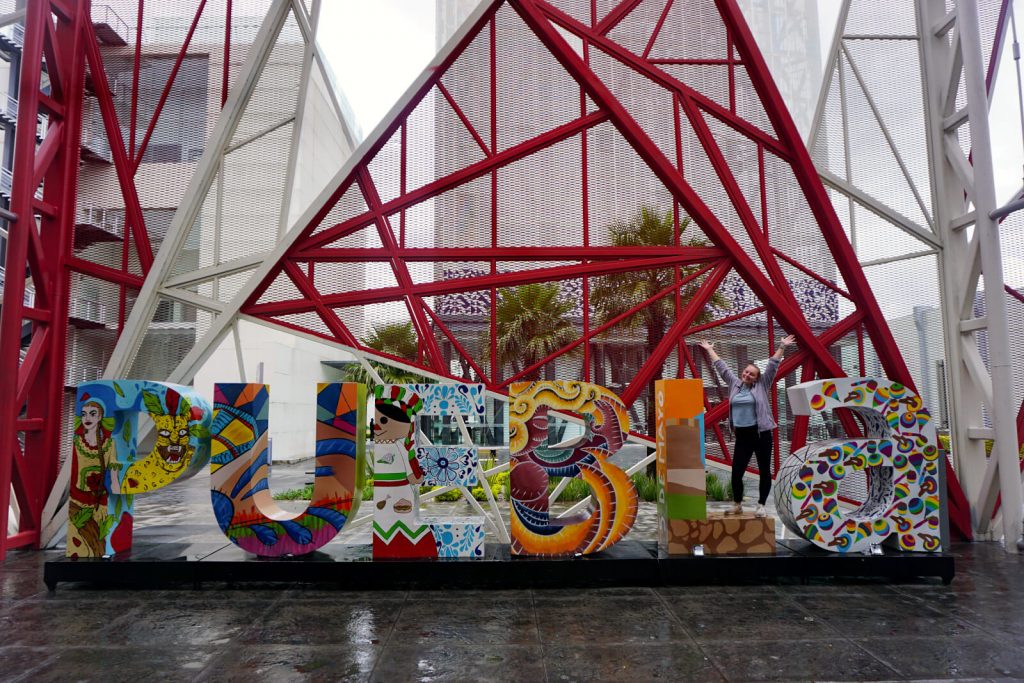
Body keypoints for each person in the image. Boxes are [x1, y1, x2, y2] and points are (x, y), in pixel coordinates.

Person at [697, 335, 796, 518]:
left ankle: (761, 505)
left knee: (764, 470)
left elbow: (772, 365)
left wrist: (782, 346)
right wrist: (710, 349)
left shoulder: (762, 385)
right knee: (736, 472)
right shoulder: (735, 384)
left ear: (756, 378)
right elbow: (722, 367)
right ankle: (737, 505)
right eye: (746, 372)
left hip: (761, 434)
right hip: (742, 436)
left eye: (751, 374)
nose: (747, 375)